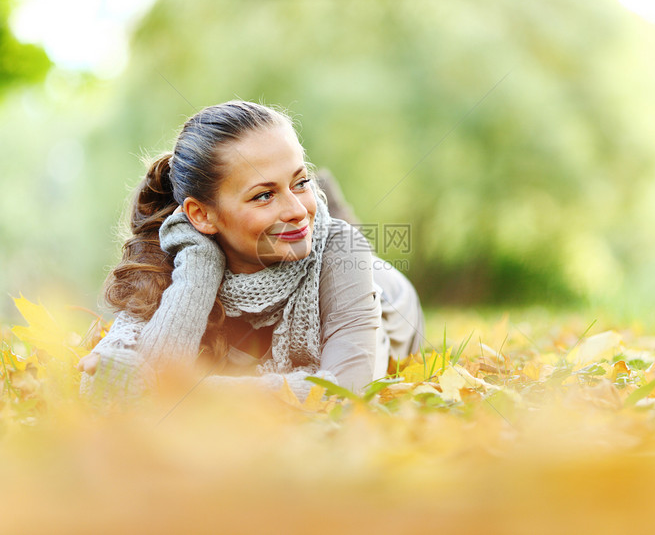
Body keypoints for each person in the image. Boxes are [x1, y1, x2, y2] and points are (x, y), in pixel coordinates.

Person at [78, 100, 425, 403]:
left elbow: (345, 389)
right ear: (200, 215)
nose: (295, 209)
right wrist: (200, 265)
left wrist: (189, 391)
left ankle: (334, 209)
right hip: (246, 246)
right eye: (264, 195)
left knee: (345, 241)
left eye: (300, 182)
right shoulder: (176, 258)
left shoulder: (342, 249)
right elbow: (107, 376)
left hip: (388, 301)